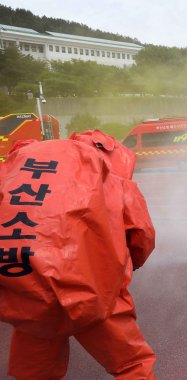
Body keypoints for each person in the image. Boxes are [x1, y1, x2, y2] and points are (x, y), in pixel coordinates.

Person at [0, 130, 157, 378]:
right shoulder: (111, 175)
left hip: (28, 286)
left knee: (34, 371)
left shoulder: (21, 169)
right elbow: (141, 234)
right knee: (131, 364)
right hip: (92, 289)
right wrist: (130, 264)